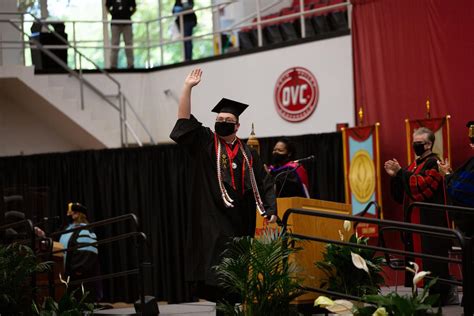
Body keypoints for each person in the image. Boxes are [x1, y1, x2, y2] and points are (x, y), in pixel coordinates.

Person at [169, 68, 277, 304]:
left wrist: (271, 211)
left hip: (241, 220)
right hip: (211, 218)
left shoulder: (249, 153)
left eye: (228, 121)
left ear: (237, 127)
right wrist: (187, 88)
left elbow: (265, 181)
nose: (223, 123)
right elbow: (183, 122)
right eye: (219, 120)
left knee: (236, 280)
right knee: (218, 275)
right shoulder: (206, 141)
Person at [384, 127, 454, 305]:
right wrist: (395, 177)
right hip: (415, 224)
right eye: (414, 143)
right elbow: (401, 196)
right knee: (418, 263)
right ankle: (422, 297)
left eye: (419, 143)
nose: (416, 146)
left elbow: (421, 189)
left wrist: (401, 173)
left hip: (431, 223)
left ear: (429, 144)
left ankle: (440, 298)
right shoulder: (414, 165)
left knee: (433, 263)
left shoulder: (434, 163)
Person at [59, 202, 101, 301]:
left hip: (78, 277)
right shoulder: (67, 229)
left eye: (73, 213)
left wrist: (78, 269)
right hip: (66, 276)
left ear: (79, 214)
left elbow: (87, 251)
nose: (70, 215)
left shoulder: (85, 230)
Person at [105, 0, 136, 69]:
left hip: (127, 23)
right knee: (115, 44)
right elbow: (107, 6)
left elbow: (134, 7)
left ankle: (130, 65)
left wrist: (128, 14)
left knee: (129, 44)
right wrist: (113, 13)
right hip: (115, 23)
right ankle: (113, 65)